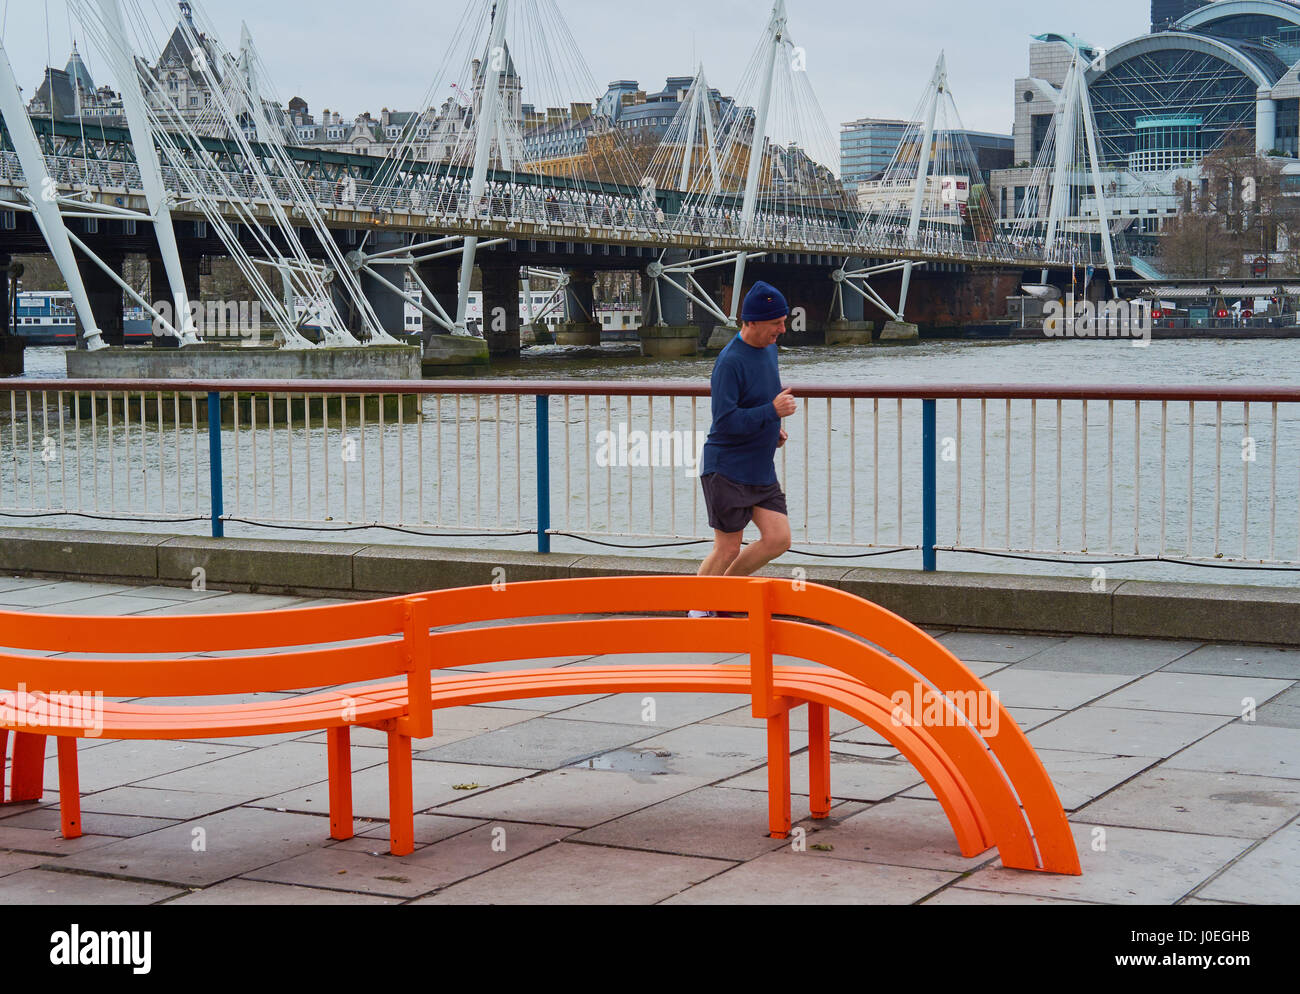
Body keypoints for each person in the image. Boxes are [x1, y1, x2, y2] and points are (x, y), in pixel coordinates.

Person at [692, 281, 797, 617]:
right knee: (727, 547)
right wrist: (771, 412)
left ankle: (722, 597)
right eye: (776, 323)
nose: (783, 329)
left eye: (783, 321)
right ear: (751, 322)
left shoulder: (770, 349)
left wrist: (773, 428)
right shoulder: (729, 362)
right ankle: (696, 608)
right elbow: (725, 421)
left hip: (759, 467)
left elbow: (760, 400)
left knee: (778, 538)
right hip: (727, 468)